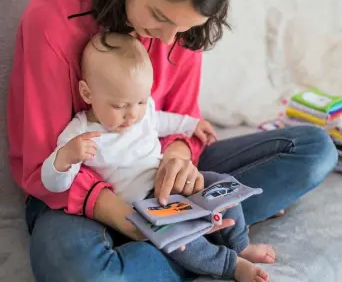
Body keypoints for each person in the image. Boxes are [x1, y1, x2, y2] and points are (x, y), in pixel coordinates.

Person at [7, 0, 338, 281]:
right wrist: (127, 218)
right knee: (81, 273)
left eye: (183, 28)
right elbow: (45, 162)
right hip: (75, 195)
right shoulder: (53, 16)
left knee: (316, 150)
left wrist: (178, 159)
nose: (169, 39)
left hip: (158, 179)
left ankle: (186, 238)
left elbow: (180, 119)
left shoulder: (180, 27)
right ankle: (201, 244)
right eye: (160, 17)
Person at [41, 33, 275, 281]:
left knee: (222, 184)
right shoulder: (81, 132)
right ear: (87, 93)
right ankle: (230, 265)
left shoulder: (142, 112)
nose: (132, 116)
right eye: (119, 106)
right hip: (145, 204)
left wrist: (191, 124)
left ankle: (239, 244)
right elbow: (54, 183)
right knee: (180, 239)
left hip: (171, 180)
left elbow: (163, 120)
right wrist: (65, 157)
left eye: (141, 101)